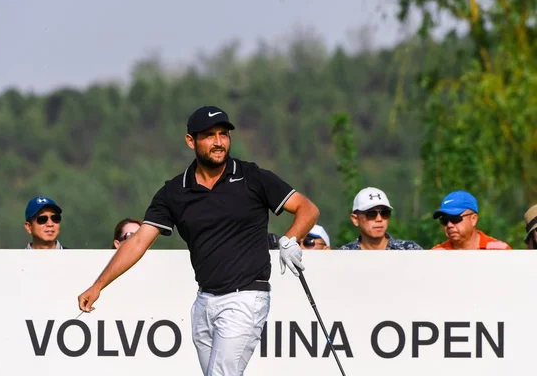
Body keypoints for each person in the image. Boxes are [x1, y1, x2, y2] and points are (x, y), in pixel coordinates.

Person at [77, 105, 319, 375]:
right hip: (204, 302)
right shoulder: (174, 191)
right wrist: (98, 285)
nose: (219, 142)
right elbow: (137, 242)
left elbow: (307, 209)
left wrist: (290, 239)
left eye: (224, 134)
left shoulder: (252, 176)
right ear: (191, 140)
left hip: (246, 298)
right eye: (209, 135)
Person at [339, 187, 422, 250]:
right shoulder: (342, 256)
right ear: (355, 219)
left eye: (385, 213)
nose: (379, 219)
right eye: (371, 214)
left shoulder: (410, 250)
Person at [431, 190, 511, 250]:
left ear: (473, 219)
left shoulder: (500, 251)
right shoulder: (435, 254)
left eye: (455, 218)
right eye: (444, 220)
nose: (449, 225)